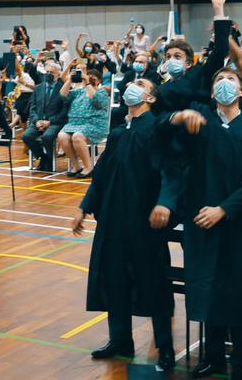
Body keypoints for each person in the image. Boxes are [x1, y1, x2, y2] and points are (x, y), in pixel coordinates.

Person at [160, 66, 242, 380]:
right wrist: (179, 118)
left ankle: (241, 359)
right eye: (219, 79)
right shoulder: (199, 123)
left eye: (231, 79)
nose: (224, 83)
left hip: (237, 223)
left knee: (237, 290)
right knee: (207, 287)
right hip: (201, 221)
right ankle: (214, 355)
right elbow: (168, 147)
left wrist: (225, 209)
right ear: (210, 92)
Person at [72, 76, 178, 370]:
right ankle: (120, 339)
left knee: (154, 281)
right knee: (114, 279)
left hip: (144, 222)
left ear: (151, 98)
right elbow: (101, 175)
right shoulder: (118, 132)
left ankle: (165, 346)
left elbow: (171, 171)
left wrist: (164, 203)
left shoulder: (157, 129)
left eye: (141, 83)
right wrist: (83, 207)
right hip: (113, 219)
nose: (133, 85)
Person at [58, 64, 110, 177]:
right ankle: (76, 165)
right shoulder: (79, 91)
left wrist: (88, 84)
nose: (90, 77)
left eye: (93, 76)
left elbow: (97, 102)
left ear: (99, 80)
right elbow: (63, 95)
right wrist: (70, 80)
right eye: (88, 75)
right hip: (74, 123)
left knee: (77, 136)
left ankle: (88, 167)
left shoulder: (102, 92)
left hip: (95, 124)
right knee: (62, 136)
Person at [21, 59, 67, 172]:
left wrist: (50, 122)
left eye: (51, 73)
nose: (48, 74)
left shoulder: (63, 89)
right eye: (47, 72)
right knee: (26, 136)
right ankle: (43, 157)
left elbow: (64, 112)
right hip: (38, 121)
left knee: (47, 137)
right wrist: (36, 121)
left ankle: (51, 159)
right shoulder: (38, 88)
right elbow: (32, 107)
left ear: (58, 75)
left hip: (54, 122)